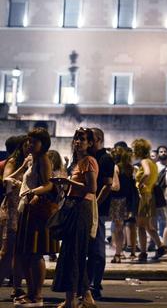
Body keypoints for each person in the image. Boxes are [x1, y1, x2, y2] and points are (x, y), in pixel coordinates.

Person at [52, 127, 98, 308]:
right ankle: (84, 297)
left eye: (83, 139)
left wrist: (67, 181)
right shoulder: (76, 162)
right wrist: (64, 185)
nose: (78, 142)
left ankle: (72, 300)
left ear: (90, 143)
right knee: (71, 252)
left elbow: (92, 188)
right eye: (76, 139)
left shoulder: (89, 161)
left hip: (81, 207)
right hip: (73, 205)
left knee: (74, 253)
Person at [14, 127, 58, 308]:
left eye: (34, 141)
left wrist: (33, 192)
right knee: (25, 253)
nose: (30, 144)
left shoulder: (44, 159)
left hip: (36, 210)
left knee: (35, 252)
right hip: (27, 208)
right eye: (29, 140)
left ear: (43, 143)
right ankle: (31, 292)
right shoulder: (33, 160)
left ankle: (37, 295)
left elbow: (49, 184)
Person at [87, 127, 114, 300]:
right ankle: (90, 282)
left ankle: (94, 284)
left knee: (97, 248)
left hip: (98, 210)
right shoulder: (87, 157)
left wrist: (95, 203)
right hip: (87, 207)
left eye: (91, 138)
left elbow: (108, 184)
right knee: (89, 248)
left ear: (98, 140)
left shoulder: (105, 158)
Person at [0, 135, 28, 300]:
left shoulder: (34, 162)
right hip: (11, 210)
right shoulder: (13, 162)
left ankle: (17, 288)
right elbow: (6, 181)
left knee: (19, 253)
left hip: (22, 210)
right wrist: (23, 166)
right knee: (7, 252)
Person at [133, 138, 165, 262]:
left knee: (141, 226)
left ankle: (143, 252)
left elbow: (146, 173)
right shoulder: (153, 163)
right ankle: (160, 246)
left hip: (143, 196)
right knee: (148, 225)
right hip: (150, 196)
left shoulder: (145, 161)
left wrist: (140, 183)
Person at [109, 146, 136, 263]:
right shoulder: (130, 168)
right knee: (123, 227)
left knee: (118, 229)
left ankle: (118, 253)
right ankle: (120, 252)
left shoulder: (116, 167)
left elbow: (115, 186)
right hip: (127, 201)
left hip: (117, 200)